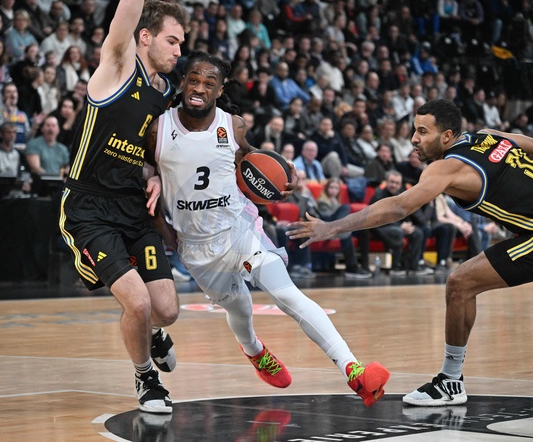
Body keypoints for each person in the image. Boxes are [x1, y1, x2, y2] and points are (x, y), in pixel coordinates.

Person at [288, 99, 533, 406]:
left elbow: (399, 206)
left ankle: (450, 381)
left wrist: (333, 226)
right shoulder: (489, 136)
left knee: (460, 283)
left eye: (423, 132)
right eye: (414, 130)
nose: (414, 139)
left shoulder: (448, 168)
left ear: (447, 136)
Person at [150, 51, 390, 408]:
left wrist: (285, 171)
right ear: (183, 82)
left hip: (240, 229)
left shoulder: (232, 125)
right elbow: (145, 179)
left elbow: (250, 156)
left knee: (287, 294)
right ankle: (254, 350)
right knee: (240, 310)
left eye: (209, 83)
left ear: (219, 91)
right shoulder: (158, 129)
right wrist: (163, 229)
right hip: (196, 246)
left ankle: (352, 370)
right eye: (194, 80)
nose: (199, 88)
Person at [58, 0, 189, 414]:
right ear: (144, 37)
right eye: (171, 41)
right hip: (90, 208)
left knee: (166, 310)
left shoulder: (165, 94)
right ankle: (145, 376)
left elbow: (147, 156)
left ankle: (151, 332)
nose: (178, 51)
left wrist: (155, 176)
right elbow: (128, 8)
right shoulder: (117, 67)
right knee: (138, 303)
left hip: (133, 208)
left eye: (181, 43)